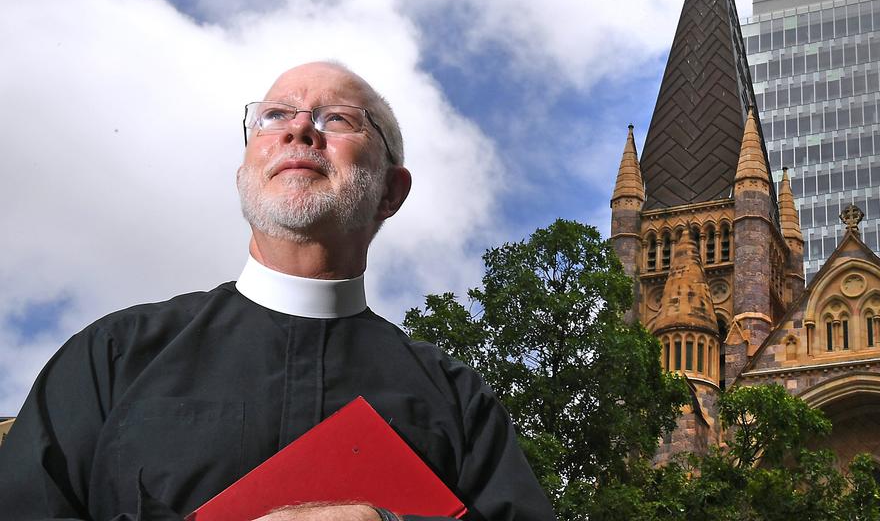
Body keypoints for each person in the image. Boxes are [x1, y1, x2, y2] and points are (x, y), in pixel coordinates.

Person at [0, 62, 554, 521]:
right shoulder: (110, 359)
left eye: (336, 118)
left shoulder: (458, 401)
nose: (299, 130)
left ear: (390, 189)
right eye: (274, 116)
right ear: (246, 169)